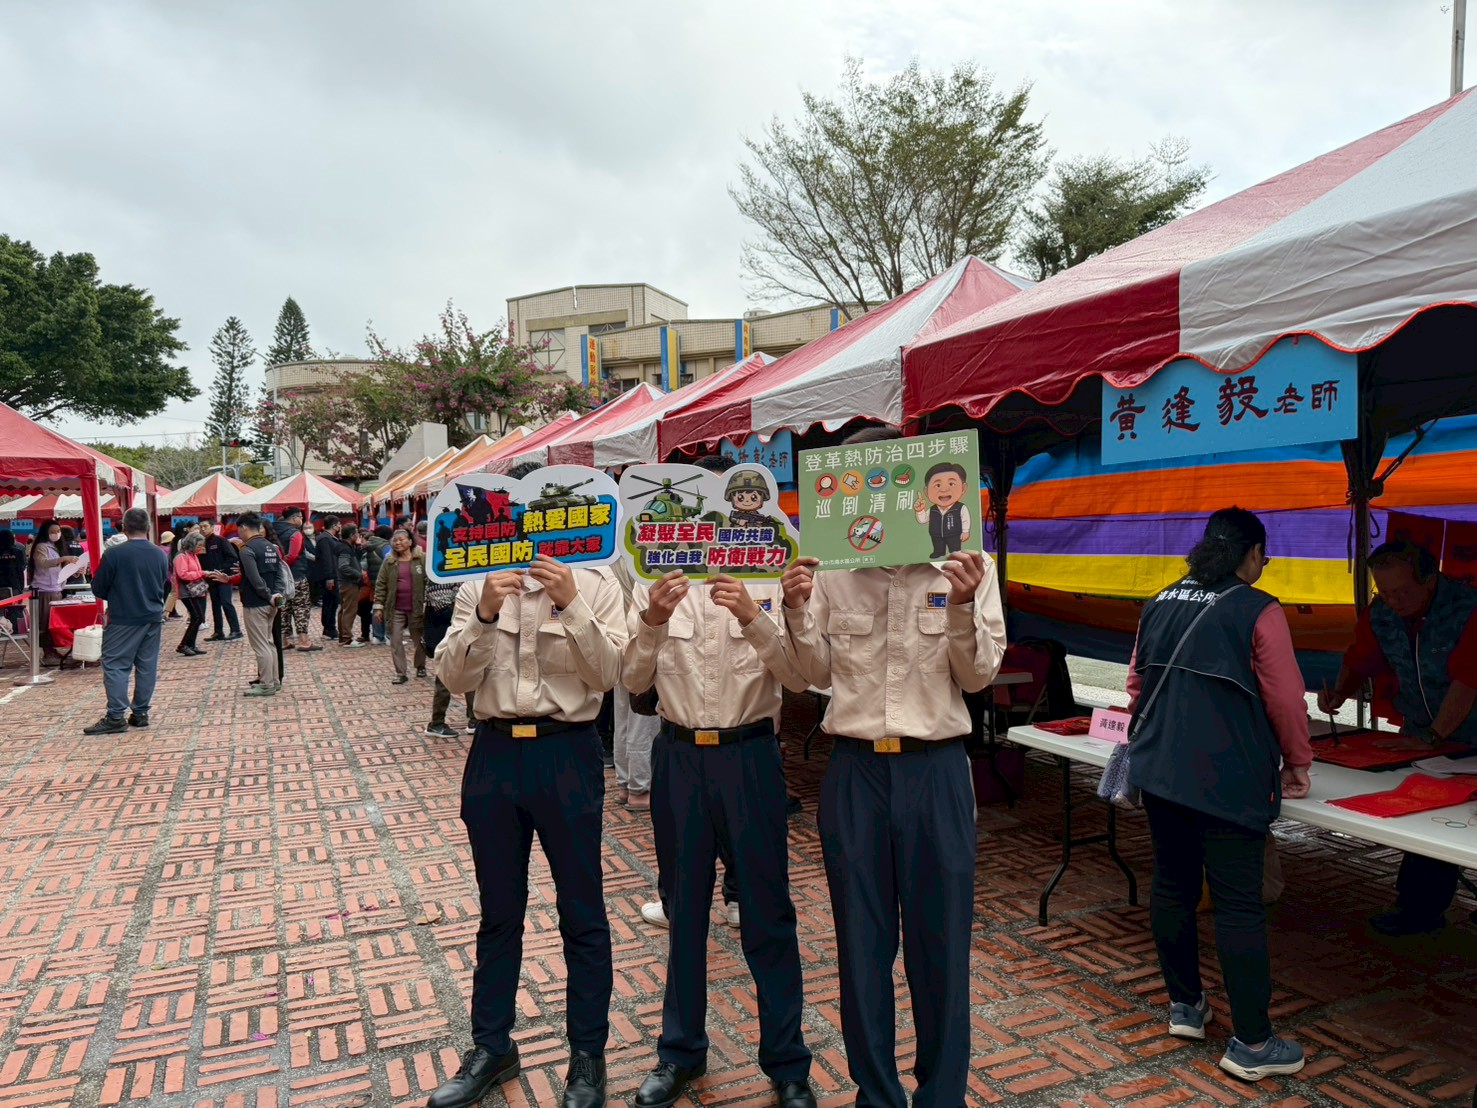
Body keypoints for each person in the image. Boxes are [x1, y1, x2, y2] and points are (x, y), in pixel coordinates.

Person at [780, 427, 1005, 1108]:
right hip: (855, 773)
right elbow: (811, 673)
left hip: (937, 771)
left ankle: (942, 1095)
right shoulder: (830, 568)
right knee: (861, 944)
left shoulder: (968, 566)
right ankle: (875, 1094)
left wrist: (961, 606)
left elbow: (978, 676)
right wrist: (794, 609)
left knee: (942, 945)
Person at [624, 525, 817, 1104]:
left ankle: (787, 1064)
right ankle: (679, 1052)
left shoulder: (771, 567)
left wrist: (756, 615)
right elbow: (631, 680)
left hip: (750, 755)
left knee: (768, 912)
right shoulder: (655, 572)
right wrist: (653, 619)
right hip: (679, 754)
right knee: (683, 908)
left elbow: (800, 679)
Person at [428, 552, 628, 1108]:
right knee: (499, 913)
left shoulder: (596, 580)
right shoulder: (479, 583)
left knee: (582, 911)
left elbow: (610, 674)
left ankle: (587, 1055)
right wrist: (485, 614)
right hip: (493, 754)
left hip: (567, 754)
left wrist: (571, 602)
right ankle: (491, 1047)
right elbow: (452, 677)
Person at [1125, 508, 1310, 1082]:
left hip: (1160, 772)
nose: (1265, 565)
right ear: (1252, 554)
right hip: (1230, 776)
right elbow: (1285, 699)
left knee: (1172, 886)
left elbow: (1136, 685)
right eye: (1265, 556)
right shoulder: (1258, 609)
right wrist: (1298, 762)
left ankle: (1186, 1006)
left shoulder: (1159, 601)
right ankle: (1252, 1042)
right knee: (1237, 903)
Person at [1317, 539, 1477, 936]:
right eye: (1384, 592)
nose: (1393, 601)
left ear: (1430, 580)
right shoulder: (1382, 612)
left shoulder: (1468, 609)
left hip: (1461, 731)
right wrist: (1339, 692)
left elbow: (1469, 680)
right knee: (1426, 812)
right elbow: (1361, 657)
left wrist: (1434, 736)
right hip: (1424, 733)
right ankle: (1418, 909)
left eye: (1402, 592)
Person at [84, 508, 170, 734]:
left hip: (124, 617)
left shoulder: (114, 554)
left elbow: (99, 588)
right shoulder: (160, 554)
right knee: (147, 665)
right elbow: (165, 584)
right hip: (152, 616)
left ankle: (115, 716)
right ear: (148, 527)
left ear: (124, 527)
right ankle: (140, 712)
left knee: (115, 665)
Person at [237, 512, 284, 697]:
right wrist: (275, 595)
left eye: (239, 529)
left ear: (244, 527)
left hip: (255, 603)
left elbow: (254, 579)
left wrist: (267, 595)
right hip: (272, 602)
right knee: (269, 643)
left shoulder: (246, 549)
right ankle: (275, 681)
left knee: (261, 646)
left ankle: (266, 685)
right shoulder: (271, 547)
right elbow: (280, 573)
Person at [421, 577, 475, 739]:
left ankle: (474, 719)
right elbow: (440, 604)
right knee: (444, 677)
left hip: (462, 631)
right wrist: (466, 602)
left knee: (471, 671)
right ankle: (437, 723)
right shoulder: (441, 574)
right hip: (445, 632)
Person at [373, 528, 427, 685]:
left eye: (402, 539)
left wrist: (427, 603)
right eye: (395, 540)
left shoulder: (422, 559)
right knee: (395, 640)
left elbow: (429, 581)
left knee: (419, 640)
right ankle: (400, 673)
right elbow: (381, 584)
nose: (398, 543)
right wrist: (378, 607)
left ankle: (420, 665)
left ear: (410, 542)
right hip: (395, 608)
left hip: (417, 607)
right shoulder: (389, 561)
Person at [28, 519, 77, 665]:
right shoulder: (41, 547)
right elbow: (42, 563)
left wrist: (75, 570)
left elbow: (62, 570)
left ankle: (52, 651)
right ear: (46, 532)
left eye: (58, 531)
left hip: (56, 589)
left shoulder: (56, 547)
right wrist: (63, 558)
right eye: (52, 532)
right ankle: (47, 652)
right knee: (45, 623)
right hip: (44, 590)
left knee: (54, 624)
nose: (56, 534)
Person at [273, 507, 317, 651]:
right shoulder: (295, 533)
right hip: (296, 576)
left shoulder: (273, 531)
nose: (301, 520)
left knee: (283, 607)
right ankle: (303, 640)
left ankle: (283, 640)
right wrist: (284, 566)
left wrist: (278, 569)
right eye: (300, 517)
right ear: (294, 518)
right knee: (301, 607)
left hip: (278, 580)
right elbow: (292, 556)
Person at [912, 462, 971, 559]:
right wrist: (920, 510)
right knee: (938, 547)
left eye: (951, 484)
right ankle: (938, 552)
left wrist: (965, 531)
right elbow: (923, 520)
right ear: (927, 491)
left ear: (963, 488)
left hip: (954, 533)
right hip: (936, 534)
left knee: (955, 549)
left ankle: (956, 553)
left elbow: (965, 519)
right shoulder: (932, 509)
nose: (944, 490)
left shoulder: (961, 507)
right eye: (937, 485)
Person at [199, 520, 243, 641]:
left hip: (224, 578)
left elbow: (232, 557)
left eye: (205, 526)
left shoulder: (221, 541)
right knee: (215, 605)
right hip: (210, 579)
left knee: (226, 602)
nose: (203, 529)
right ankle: (218, 632)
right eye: (201, 527)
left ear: (212, 527)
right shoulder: (201, 544)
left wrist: (222, 571)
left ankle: (236, 630)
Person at [172, 532, 211, 657]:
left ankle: (191, 645)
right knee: (197, 617)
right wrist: (202, 573)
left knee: (197, 618)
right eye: (199, 545)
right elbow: (183, 574)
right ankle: (183, 645)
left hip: (194, 591)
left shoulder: (192, 555)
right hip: (187, 592)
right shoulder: (181, 556)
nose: (201, 548)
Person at [334, 525, 368, 646]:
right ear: (351, 535)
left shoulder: (343, 546)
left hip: (344, 582)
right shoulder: (345, 548)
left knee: (343, 610)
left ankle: (343, 636)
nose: (358, 536)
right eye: (356, 534)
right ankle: (347, 638)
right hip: (349, 583)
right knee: (349, 610)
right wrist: (358, 574)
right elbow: (344, 566)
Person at [313, 515, 342, 640]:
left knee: (332, 602)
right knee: (329, 602)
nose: (340, 526)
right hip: (328, 576)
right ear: (334, 525)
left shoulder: (330, 538)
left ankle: (330, 628)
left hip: (333, 574)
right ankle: (329, 629)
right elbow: (327, 559)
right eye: (339, 524)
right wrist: (329, 577)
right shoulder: (325, 539)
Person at [365, 526, 392, 644]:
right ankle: (388, 636)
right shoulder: (385, 546)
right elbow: (391, 561)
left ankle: (377, 635)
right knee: (388, 607)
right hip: (386, 580)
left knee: (377, 606)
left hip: (374, 580)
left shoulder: (370, 545)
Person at [0, 529, 26, 632]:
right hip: (14, 584)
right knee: (14, 609)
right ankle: (16, 630)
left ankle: (3, 630)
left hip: (1, 585)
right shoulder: (18, 551)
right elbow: (21, 568)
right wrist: (21, 587)